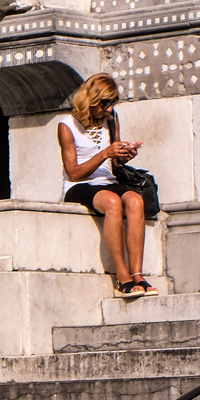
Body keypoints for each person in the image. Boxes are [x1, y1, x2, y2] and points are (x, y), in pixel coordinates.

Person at [58, 73, 157, 298]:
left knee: (134, 200)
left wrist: (124, 154)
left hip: (108, 180)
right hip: (80, 185)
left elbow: (114, 160)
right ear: (92, 100)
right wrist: (105, 153)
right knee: (112, 202)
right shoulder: (67, 125)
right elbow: (73, 172)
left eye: (112, 103)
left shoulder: (111, 119)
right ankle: (122, 277)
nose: (109, 109)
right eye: (106, 103)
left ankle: (137, 274)